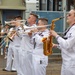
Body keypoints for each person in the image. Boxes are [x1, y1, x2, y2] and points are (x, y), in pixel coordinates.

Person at [50, 9, 75, 75]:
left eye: (69, 15)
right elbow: (69, 46)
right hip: (67, 62)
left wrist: (56, 35)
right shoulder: (70, 28)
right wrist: (56, 46)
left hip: (71, 63)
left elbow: (67, 45)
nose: (67, 16)